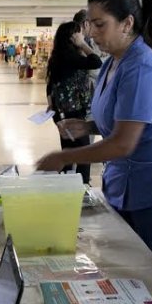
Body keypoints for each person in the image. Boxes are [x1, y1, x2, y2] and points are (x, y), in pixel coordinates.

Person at [36, 0, 152, 263]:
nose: (92, 34)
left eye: (100, 25)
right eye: (90, 24)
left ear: (127, 23)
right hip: (128, 183)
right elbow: (122, 117)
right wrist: (88, 127)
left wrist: (65, 156)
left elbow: (124, 143)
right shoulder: (114, 61)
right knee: (132, 267)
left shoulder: (141, 68)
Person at [45, 21, 103, 184]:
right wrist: (83, 44)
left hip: (62, 111)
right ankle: (83, 185)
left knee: (69, 150)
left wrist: (50, 101)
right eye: (79, 33)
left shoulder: (59, 56)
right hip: (72, 113)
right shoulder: (70, 57)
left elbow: (50, 84)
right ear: (72, 37)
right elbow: (96, 62)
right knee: (84, 152)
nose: (82, 35)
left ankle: (66, 183)